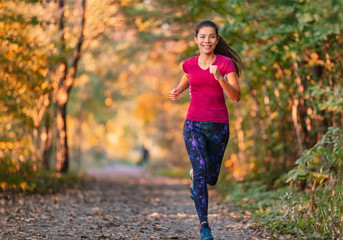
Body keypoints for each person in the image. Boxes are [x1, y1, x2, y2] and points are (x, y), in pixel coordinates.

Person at [168, 20, 244, 240]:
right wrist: (176, 92)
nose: (206, 40)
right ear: (196, 40)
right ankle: (204, 227)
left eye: (211, 37)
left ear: (217, 40)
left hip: (219, 126)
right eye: (202, 36)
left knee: (210, 177)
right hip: (193, 125)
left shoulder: (225, 63)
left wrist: (220, 79)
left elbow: (236, 96)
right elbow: (187, 81)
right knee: (202, 173)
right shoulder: (189, 64)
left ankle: (195, 176)